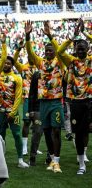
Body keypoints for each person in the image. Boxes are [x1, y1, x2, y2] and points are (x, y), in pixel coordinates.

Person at [25, 21, 65, 173]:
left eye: (51, 51)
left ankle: (57, 162)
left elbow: (60, 51)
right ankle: (52, 157)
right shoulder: (40, 63)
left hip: (55, 102)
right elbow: (30, 53)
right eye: (46, 51)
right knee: (47, 131)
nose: (48, 53)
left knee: (56, 131)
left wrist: (50, 36)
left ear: (54, 52)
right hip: (43, 103)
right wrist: (28, 36)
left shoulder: (59, 62)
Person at [57, 19, 91, 175]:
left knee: (86, 131)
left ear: (88, 49)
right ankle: (82, 164)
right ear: (75, 49)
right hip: (76, 102)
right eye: (79, 48)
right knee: (79, 133)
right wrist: (73, 37)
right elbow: (59, 52)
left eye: (84, 48)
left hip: (90, 101)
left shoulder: (90, 61)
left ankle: (83, 156)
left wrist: (85, 34)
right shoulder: (71, 61)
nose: (81, 51)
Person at [0, 56, 29, 168]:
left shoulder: (17, 78)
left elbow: (18, 97)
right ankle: (1, 159)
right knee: (0, 135)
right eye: (4, 63)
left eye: (8, 63)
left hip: (12, 112)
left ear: (12, 65)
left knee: (17, 135)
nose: (6, 65)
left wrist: (12, 112)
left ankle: (20, 160)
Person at [13, 40, 39, 156]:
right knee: (27, 122)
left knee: (37, 123)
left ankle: (35, 146)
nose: (30, 57)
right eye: (28, 56)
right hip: (27, 98)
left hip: (38, 98)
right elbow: (13, 61)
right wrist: (18, 49)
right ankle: (24, 147)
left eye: (31, 55)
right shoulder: (23, 68)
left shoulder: (39, 68)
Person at [27, 71, 44, 166]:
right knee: (37, 132)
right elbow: (32, 92)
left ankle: (51, 157)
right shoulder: (37, 74)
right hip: (38, 108)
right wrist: (30, 109)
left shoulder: (56, 73)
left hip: (51, 106)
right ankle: (32, 157)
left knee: (53, 132)